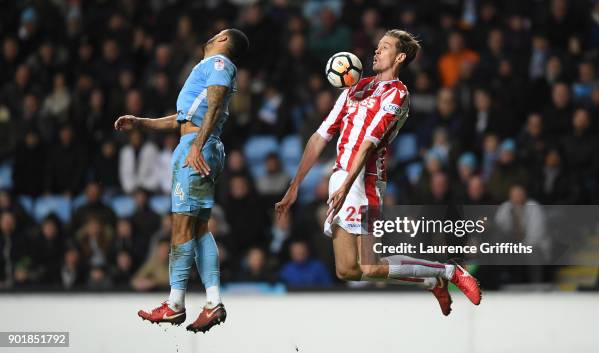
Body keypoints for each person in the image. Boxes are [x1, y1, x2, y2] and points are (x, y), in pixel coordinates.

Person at [276, 29, 481, 317]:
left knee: (371, 264)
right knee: (346, 270)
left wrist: (348, 184)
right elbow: (320, 136)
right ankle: (430, 280)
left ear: (399, 56)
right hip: (341, 178)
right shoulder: (354, 89)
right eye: (377, 46)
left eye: (384, 47)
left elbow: (369, 144)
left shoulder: (398, 94)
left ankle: (449, 271)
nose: (376, 51)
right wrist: (295, 184)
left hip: (366, 181)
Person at [114, 29, 249, 333]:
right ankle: (213, 300)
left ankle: (174, 305)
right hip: (196, 144)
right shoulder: (205, 69)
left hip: (195, 148)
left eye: (218, 33)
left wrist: (198, 144)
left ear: (224, 41)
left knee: (181, 226)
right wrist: (141, 122)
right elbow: (181, 118)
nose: (212, 35)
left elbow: (214, 105)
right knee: (199, 228)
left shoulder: (218, 64)